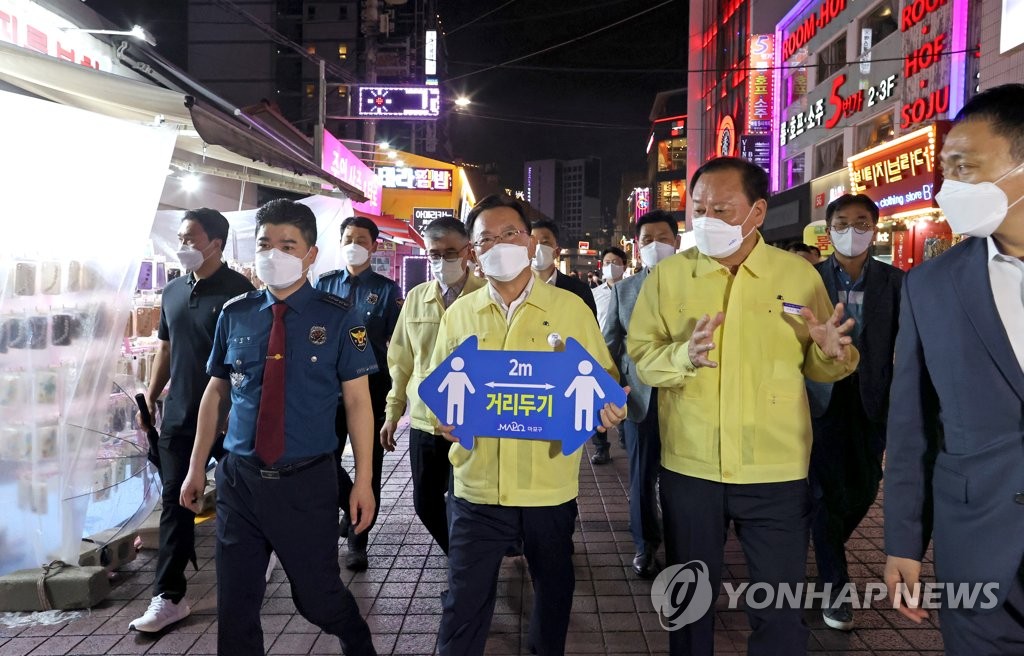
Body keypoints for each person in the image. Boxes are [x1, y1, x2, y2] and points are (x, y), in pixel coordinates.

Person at [627, 157, 860, 656]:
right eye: (698, 208)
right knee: (689, 610)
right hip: (691, 469)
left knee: (779, 615)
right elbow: (642, 360)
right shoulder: (668, 278)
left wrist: (831, 353)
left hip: (775, 472)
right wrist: (682, 356)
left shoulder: (797, 276)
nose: (706, 218)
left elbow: (822, 364)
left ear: (756, 212)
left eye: (722, 208)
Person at [179, 199, 378, 656]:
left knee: (317, 600)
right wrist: (196, 468)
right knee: (237, 607)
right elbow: (216, 392)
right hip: (240, 481)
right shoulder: (237, 313)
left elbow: (357, 402)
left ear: (311, 255)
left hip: (306, 483)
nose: (274, 253)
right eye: (266, 243)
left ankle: (354, 635)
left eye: (288, 245)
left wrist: (362, 480)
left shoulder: (340, 316)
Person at [432, 195, 625, 656]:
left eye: (510, 234)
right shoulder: (461, 314)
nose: (499, 245)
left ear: (530, 241)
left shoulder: (570, 308)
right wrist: (443, 420)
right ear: (474, 254)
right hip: (477, 489)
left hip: (548, 488)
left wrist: (608, 407)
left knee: (554, 592)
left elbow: (605, 380)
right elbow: (440, 388)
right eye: (486, 240)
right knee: (463, 603)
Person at [884, 84, 1024, 654]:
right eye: (945, 171)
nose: (950, 188)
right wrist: (902, 543)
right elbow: (912, 424)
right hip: (978, 546)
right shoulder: (930, 286)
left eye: (965, 168)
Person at [129, 209, 254, 633]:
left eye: (189, 238)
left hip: (233, 418)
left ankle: (259, 563)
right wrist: (149, 396)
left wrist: (240, 411)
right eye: (180, 238)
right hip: (181, 416)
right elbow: (165, 348)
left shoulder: (241, 293)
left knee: (243, 500)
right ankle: (168, 596)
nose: (182, 246)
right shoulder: (173, 291)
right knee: (175, 501)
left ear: (215, 243)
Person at [805, 194, 902, 631]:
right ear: (829, 231)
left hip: (870, 400)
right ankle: (835, 588)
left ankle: (827, 546)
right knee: (824, 493)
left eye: (861, 222)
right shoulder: (807, 280)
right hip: (820, 398)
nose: (852, 230)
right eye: (842, 222)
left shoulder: (899, 283)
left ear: (875, 229)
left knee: (864, 487)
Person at [381, 217, 485, 555]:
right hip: (426, 419)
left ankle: (466, 566)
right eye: (434, 254)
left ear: (468, 251)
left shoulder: (486, 296)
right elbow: (401, 360)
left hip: (474, 420)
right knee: (425, 502)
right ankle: (459, 555)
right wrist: (393, 411)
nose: (442, 261)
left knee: (467, 500)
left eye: (450, 252)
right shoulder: (416, 298)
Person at [316, 216, 401, 571]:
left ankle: (358, 541)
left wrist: (398, 392)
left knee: (370, 465)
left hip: (371, 387)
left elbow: (397, 345)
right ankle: (349, 508)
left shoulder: (386, 289)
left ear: (374, 246)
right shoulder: (323, 284)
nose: (354, 243)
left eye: (362, 239)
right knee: (324, 462)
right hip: (327, 389)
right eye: (349, 237)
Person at [603, 210, 679, 579]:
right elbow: (610, 346)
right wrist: (614, 390)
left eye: (662, 238)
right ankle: (645, 545)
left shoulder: (698, 284)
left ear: (676, 243)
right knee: (642, 475)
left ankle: (684, 544)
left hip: (688, 397)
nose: (654, 245)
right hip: (641, 400)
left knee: (684, 478)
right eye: (647, 239)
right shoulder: (624, 290)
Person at [530, 219, 598, 317]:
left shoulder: (579, 291)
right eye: (534, 242)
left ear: (557, 252)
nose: (539, 247)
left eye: (545, 243)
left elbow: (590, 329)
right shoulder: (516, 289)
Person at [592, 246, 627, 333]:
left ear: (624, 266)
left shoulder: (634, 292)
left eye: (615, 262)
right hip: (602, 342)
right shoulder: (594, 294)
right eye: (607, 263)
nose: (610, 266)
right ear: (602, 266)